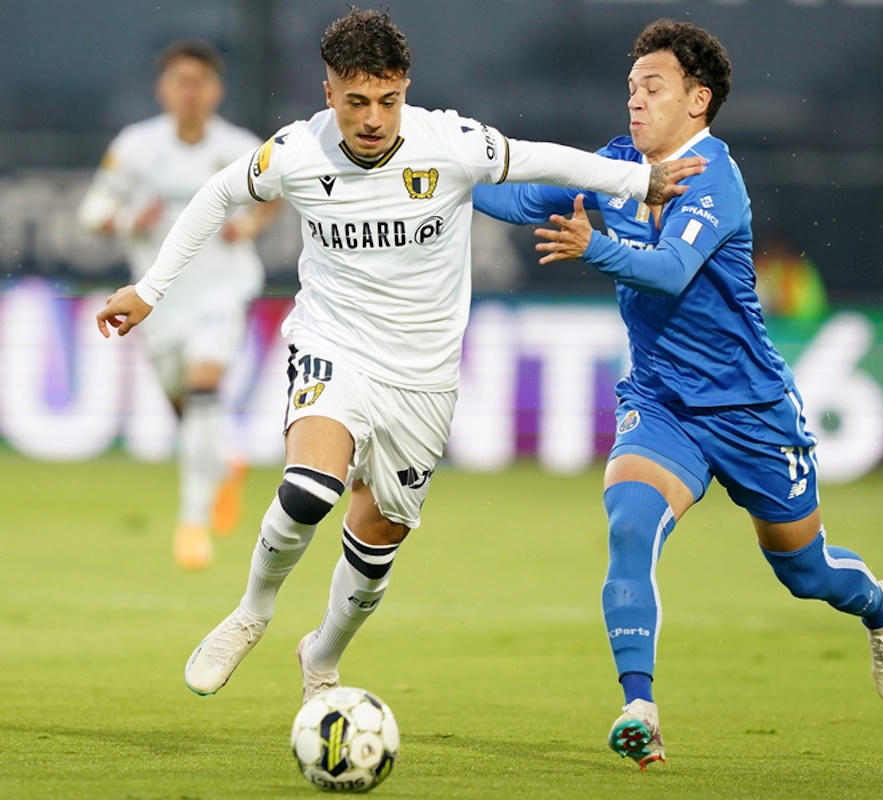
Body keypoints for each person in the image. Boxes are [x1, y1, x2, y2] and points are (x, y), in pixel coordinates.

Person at [94, 8, 702, 704]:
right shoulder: (298, 150)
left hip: (423, 375)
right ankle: (251, 611)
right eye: (356, 101)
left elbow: (541, 156)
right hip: (333, 343)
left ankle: (321, 654)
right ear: (329, 94)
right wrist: (149, 290)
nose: (374, 118)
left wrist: (638, 182)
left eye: (387, 99)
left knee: (377, 538)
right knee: (309, 489)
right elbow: (220, 193)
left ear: (405, 88)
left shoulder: (448, 141)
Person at [473, 19, 883, 769]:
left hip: (749, 410)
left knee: (804, 571)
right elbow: (519, 202)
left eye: (653, 88)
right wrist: (431, 175)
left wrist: (597, 249)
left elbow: (673, 269)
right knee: (630, 524)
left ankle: (882, 607)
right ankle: (638, 708)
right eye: (631, 89)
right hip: (663, 402)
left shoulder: (717, 178)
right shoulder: (616, 165)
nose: (635, 103)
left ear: (698, 100)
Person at [79, 39, 279, 570]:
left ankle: (192, 524)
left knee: (204, 387)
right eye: (179, 81)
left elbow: (280, 189)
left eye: (200, 81)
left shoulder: (240, 147)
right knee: (187, 408)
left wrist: (252, 222)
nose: (190, 92)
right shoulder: (136, 147)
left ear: (217, 89)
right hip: (156, 301)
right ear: (162, 88)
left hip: (222, 289)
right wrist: (125, 221)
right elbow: (92, 210)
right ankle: (221, 464)